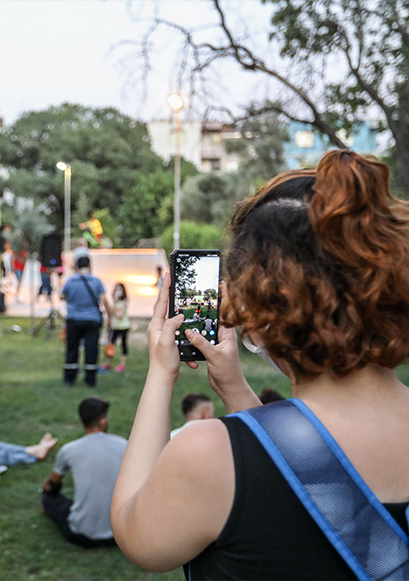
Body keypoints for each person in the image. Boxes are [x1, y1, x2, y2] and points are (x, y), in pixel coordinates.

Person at [111, 151, 409, 579]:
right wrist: (233, 387)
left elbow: (133, 529)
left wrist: (162, 372)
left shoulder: (210, 455)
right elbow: (301, 467)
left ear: (263, 306)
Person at [41, 397, 127, 547]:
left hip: (82, 534)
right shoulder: (123, 444)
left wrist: (46, 489)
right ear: (102, 421)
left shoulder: (69, 450)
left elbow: (53, 485)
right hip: (121, 533)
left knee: (50, 498)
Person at [61, 256, 106, 387]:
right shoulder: (96, 281)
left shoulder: (70, 281)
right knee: (91, 349)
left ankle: (69, 378)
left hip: (73, 319)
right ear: (89, 265)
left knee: (72, 348)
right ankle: (90, 380)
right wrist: (110, 316)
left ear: (77, 266)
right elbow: (103, 300)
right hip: (93, 320)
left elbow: (62, 295)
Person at [101, 283, 130, 373]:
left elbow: (120, 315)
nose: (118, 291)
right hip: (115, 326)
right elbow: (110, 312)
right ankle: (108, 363)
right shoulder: (114, 302)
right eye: (116, 289)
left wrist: (113, 312)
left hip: (124, 326)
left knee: (123, 344)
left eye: (120, 289)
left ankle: (122, 364)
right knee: (111, 344)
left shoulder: (125, 301)